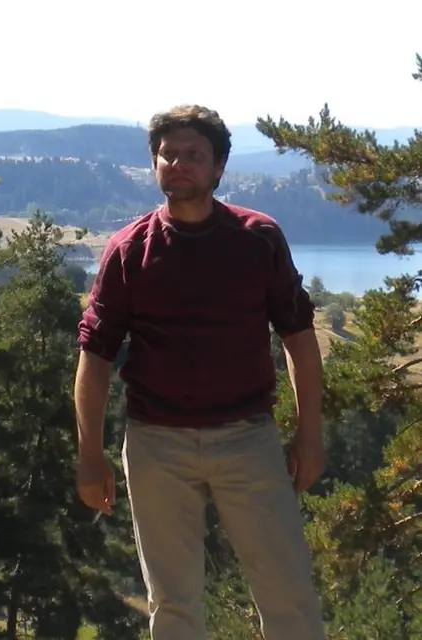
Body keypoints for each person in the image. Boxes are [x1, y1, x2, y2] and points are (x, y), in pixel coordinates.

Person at [74, 105, 326, 640]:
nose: (179, 163)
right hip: (156, 443)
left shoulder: (257, 239)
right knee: (173, 605)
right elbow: (94, 359)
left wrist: (309, 434)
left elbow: (300, 340)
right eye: (168, 154)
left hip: (248, 438)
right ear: (154, 164)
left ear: (218, 168)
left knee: (288, 594)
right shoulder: (129, 251)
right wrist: (89, 455)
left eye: (194, 154)